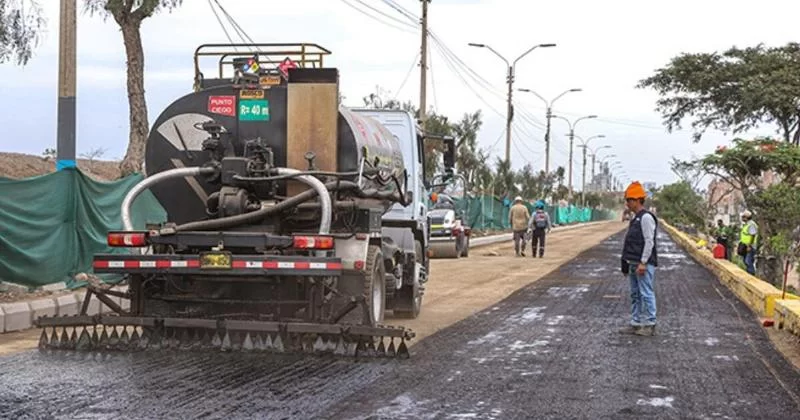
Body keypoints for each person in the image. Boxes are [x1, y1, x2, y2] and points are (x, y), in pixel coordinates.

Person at [619, 181, 659, 337]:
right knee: (635, 294)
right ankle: (636, 322)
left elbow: (649, 241)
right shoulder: (635, 218)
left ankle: (650, 323)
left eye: (629, 200)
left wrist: (643, 262)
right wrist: (626, 263)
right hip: (633, 263)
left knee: (646, 293)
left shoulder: (646, 218)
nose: (627, 203)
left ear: (636, 200)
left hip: (643, 264)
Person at [738, 210, 758, 275]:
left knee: (748, 261)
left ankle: (751, 275)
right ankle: (748, 273)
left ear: (746, 217)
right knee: (745, 261)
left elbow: (752, 235)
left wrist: (749, 246)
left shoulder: (751, 225)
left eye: (743, 217)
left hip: (750, 246)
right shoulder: (746, 224)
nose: (742, 218)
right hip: (744, 245)